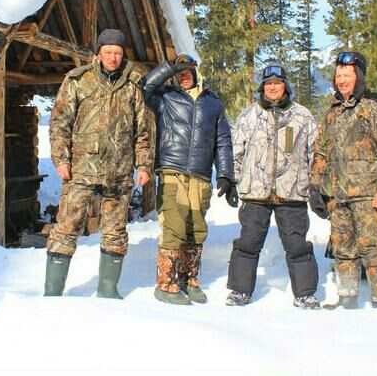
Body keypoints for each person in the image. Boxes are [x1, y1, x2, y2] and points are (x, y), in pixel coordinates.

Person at [44, 28, 152, 299]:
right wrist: (61, 159)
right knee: (66, 228)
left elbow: (143, 130)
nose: (113, 57)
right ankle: (52, 292)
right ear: (99, 53)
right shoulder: (78, 80)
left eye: (117, 52)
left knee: (115, 232)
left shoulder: (133, 84)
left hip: (119, 172)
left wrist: (144, 165)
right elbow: (60, 123)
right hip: (81, 169)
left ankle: (108, 289)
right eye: (108, 52)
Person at [225, 62, 321, 309]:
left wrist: (316, 185)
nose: (273, 88)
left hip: (292, 192)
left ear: (285, 86)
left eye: (277, 83)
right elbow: (236, 151)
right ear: (262, 88)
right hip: (256, 191)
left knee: (298, 245)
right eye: (268, 84)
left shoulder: (303, 116)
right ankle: (239, 290)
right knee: (248, 243)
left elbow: (316, 153)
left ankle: (305, 293)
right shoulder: (248, 116)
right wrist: (234, 181)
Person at [142, 54, 235, 305]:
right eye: (179, 72)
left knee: (196, 229)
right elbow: (145, 86)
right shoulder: (166, 99)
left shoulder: (213, 104)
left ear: (196, 74)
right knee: (174, 226)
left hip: (201, 175)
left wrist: (226, 175)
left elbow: (223, 141)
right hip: (172, 172)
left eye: (187, 71)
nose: (183, 76)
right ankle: (166, 284)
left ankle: (189, 279)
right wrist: (170, 67)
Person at [309, 51, 377, 309]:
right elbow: (321, 151)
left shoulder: (372, 107)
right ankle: (347, 297)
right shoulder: (332, 112)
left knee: (372, 248)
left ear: (358, 77)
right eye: (338, 76)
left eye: (347, 76)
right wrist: (316, 187)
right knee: (342, 249)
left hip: (367, 194)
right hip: (337, 195)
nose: (342, 81)